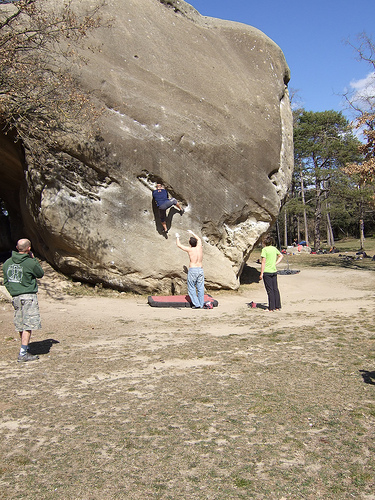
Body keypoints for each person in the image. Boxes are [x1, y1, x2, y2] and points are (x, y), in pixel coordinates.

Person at [2, 238, 44, 362]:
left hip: (15, 296)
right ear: (29, 249)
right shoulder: (30, 263)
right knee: (27, 324)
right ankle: (23, 353)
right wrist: (33, 258)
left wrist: (13, 292)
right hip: (28, 296)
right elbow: (40, 273)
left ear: (17, 247)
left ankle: (24, 347)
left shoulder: (7, 263)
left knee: (20, 324)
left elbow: (6, 281)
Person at [176, 230, 205, 309]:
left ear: (190, 243)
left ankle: (197, 304)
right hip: (200, 269)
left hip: (193, 269)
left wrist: (177, 237)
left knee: (191, 287)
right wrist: (192, 233)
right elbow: (199, 239)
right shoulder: (200, 247)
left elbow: (179, 245)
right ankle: (201, 304)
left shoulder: (190, 249)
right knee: (200, 287)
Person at [259, 235, 283, 311]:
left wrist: (261, 273)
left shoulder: (264, 250)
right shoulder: (274, 249)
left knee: (270, 290)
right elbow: (281, 256)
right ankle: (277, 306)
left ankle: (271, 307)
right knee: (275, 289)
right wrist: (275, 263)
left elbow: (263, 262)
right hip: (274, 271)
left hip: (267, 272)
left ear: (264, 243)